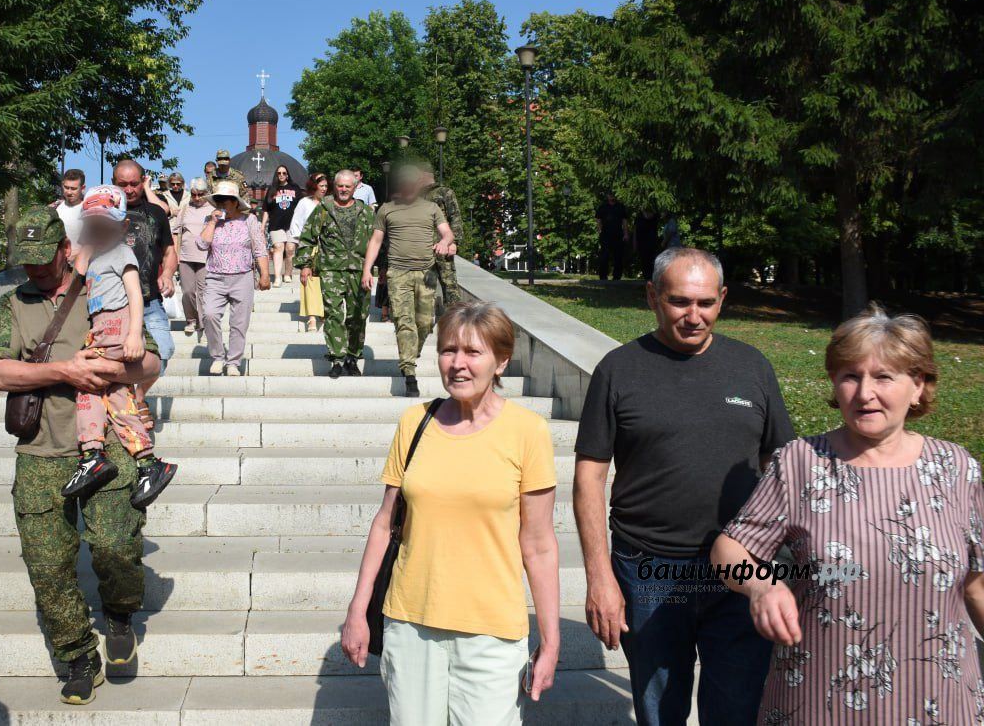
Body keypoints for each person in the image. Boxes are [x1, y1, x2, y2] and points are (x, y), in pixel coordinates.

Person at [712, 305, 984, 724]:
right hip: (821, 701)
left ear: (918, 386)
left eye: (884, 377)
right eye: (850, 376)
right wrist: (763, 588)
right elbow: (730, 549)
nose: (864, 393)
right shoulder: (800, 462)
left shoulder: (956, 468)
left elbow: (977, 586)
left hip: (939, 703)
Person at [573, 246, 795, 726]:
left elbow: (781, 464)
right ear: (652, 297)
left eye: (706, 303)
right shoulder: (618, 369)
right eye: (679, 302)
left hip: (742, 566)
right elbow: (589, 476)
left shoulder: (752, 367)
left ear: (722, 300)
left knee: (738, 708)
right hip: (647, 568)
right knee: (659, 712)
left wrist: (784, 562)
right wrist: (598, 576)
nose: (694, 316)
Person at [341, 301, 559, 724]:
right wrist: (357, 609)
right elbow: (385, 524)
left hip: (491, 633)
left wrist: (550, 641)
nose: (458, 364)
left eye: (473, 352)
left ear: (501, 361)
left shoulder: (527, 432)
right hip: (410, 623)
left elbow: (539, 545)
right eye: (447, 350)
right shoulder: (414, 423)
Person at [0, 205, 163, 705]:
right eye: (27, 263)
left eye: (44, 260)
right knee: (47, 564)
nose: (36, 271)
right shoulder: (10, 304)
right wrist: (66, 371)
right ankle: (77, 655)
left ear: (66, 248)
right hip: (41, 450)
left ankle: (121, 610)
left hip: (104, 443)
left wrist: (107, 370)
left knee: (114, 545)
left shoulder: (100, 287)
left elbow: (149, 361)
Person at [65, 185, 176, 503]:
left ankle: (92, 454)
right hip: (100, 330)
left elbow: (135, 295)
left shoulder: (122, 253)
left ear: (122, 227)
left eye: (104, 225)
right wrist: (86, 246)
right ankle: (147, 461)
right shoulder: (97, 254)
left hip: (117, 330)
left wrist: (134, 334)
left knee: (87, 386)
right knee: (116, 398)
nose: (97, 231)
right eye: (92, 225)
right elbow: (79, 272)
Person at [363, 164, 455, 398]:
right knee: (404, 321)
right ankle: (409, 371)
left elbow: (447, 232)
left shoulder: (432, 207)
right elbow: (375, 241)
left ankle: (410, 355)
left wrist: (445, 241)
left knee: (424, 323)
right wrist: (367, 271)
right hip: (398, 273)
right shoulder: (387, 209)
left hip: (426, 272)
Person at [112, 159, 177, 432]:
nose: (129, 190)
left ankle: (138, 397)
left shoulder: (155, 213)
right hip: (113, 305)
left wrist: (167, 274)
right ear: (114, 184)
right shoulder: (102, 213)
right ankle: (122, 402)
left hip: (150, 301)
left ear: (143, 181)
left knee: (165, 350)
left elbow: (170, 251)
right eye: (122, 184)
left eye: (134, 183)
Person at [293, 170, 376, 379]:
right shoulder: (323, 209)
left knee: (358, 315)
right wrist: (305, 264)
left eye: (348, 186)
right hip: (331, 269)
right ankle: (337, 357)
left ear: (355, 187)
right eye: (340, 186)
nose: (344, 190)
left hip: (359, 270)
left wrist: (380, 269)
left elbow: (378, 242)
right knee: (333, 314)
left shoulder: (366, 212)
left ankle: (352, 357)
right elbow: (308, 237)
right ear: (334, 186)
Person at [197, 180, 271, 376]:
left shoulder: (249, 220)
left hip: (242, 277)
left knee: (239, 323)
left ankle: (233, 362)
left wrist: (264, 274)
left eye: (226, 200)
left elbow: (260, 248)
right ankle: (217, 357)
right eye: (218, 200)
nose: (222, 204)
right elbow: (202, 245)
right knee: (210, 314)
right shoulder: (209, 220)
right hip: (215, 277)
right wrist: (212, 222)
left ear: (236, 202)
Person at [417, 161, 464, 307]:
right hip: (422, 248)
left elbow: (455, 218)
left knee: (449, 286)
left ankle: (454, 321)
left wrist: (454, 242)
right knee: (423, 287)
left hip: (443, 245)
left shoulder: (444, 192)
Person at [289, 172, 328, 332]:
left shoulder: (330, 203)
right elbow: (296, 223)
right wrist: (297, 244)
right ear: (314, 186)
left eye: (326, 186)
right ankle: (312, 317)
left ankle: (324, 311)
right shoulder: (304, 203)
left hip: (327, 247)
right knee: (309, 280)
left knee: (326, 281)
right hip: (310, 246)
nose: (324, 189)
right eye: (321, 186)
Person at [176, 178, 211, 337]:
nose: (196, 198)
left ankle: (204, 324)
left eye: (200, 194)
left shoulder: (213, 208)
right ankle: (191, 319)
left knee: (203, 292)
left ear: (206, 193)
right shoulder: (185, 208)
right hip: (185, 256)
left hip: (206, 258)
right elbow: (176, 232)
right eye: (194, 194)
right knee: (188, 291)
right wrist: (175, 255)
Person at [262, 165, 301, 285]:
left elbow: (301, 206)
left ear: (287, 174)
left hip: (292, 224)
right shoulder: (272, 189)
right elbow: (266, 209)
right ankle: (278, 277)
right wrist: (262, 225)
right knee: (278, 248)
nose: (281, 175)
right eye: (279, 173)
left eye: (284, 173)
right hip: (276, 223)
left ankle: (288, 273)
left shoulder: (295, 188)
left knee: (290, 249)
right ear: (276, 175)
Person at [595, 192, 629, 281]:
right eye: (609, 195)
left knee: (618, 256)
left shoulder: (620, 207)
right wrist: (599, 230)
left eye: (612, 195)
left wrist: (626, 233)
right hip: (605, 235)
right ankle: (603, 276)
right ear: (607, 196)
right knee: (604, 256)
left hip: (618, 234)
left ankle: (617, 276)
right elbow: (598, 219)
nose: (611, 196)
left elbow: (624, 221)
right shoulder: (603, 206)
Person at [52, 168, 87, 247]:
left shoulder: (89, 211)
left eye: (73, 189)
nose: (69, 192)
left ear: (82, 188)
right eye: (66, 187)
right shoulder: (54, 209)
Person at [634, 210, 660, 280]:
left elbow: (650, 217)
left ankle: (652, 279)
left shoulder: (655, 215)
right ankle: (646, 280)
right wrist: (635, 243)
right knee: (644, 262)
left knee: (652, 262)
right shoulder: (639, 216)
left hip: (652, 243)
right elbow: (635, 230)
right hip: (642, 243)